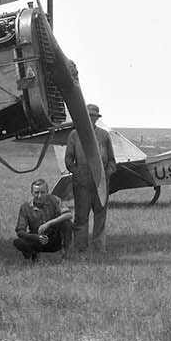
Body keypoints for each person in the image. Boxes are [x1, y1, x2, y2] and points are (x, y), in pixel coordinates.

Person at [64, 103, 116, 253]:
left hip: (101, 183)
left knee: (100, 216)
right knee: (81, 216)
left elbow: (112, 161)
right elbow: (68, 159)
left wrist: (106, 174)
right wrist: (77, 173)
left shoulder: (104, 135)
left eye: (94, 117)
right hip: (82, 183)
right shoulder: (75, 135)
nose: (91, 119)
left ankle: (99, 248)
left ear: (97, 119)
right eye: (88, 116)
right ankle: (81, 248)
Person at [13, 178, 73, 261]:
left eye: (43, 192)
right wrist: (36, 237)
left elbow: (68, 214)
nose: (39, 196)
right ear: (32, 193)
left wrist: (48, 224)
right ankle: (33, 254)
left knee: (67, 223)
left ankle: (65, 254)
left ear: (47, 192)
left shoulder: (54, 200)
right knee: (18, 242)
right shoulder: (25, 207)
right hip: (37, 239)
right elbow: (20, 231)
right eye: (36, 193)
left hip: (54, 238)